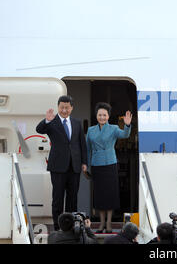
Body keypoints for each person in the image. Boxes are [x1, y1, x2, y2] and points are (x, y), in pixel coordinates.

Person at [36, 95, 88, 231]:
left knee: (72, 198)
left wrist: (84, 162)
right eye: (62, 107)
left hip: (74, 166)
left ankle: (71, 227)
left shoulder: (77, 123)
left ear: (72, 108)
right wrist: (46, 120)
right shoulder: (52, 122)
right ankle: (58, 228)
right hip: (58, 166)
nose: (64, 110)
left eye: (67, 107)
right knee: (58, 199)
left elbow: (82, 144)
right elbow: (39, 130)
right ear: (58, 107)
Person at [86, 102, 132, 233]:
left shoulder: (113, 128)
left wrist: (127, 125)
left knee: (110, 194)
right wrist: (87, 166)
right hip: (96, 165)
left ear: (108, 116)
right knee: (99, 195)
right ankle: (101, 224)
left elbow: (125, 135)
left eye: (104, 115)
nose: (102, 117)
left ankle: (109, 223)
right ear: (96, 116)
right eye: (100, 115)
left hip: (110, 164)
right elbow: (87, 149)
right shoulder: (90, 130)